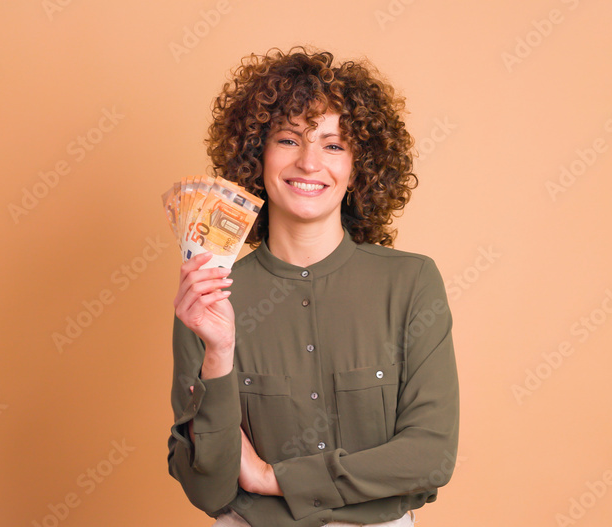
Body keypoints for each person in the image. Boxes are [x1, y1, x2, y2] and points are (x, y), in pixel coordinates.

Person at [168, 47, 459, 527]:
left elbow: (429, 456)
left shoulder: (412, 282)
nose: (308, 162)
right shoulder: (209, 295)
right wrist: (218, 356)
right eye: (288, 139)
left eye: (333, 144)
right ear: (255, 156)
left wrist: (269, 477)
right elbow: (208, 488)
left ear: (358, 166)